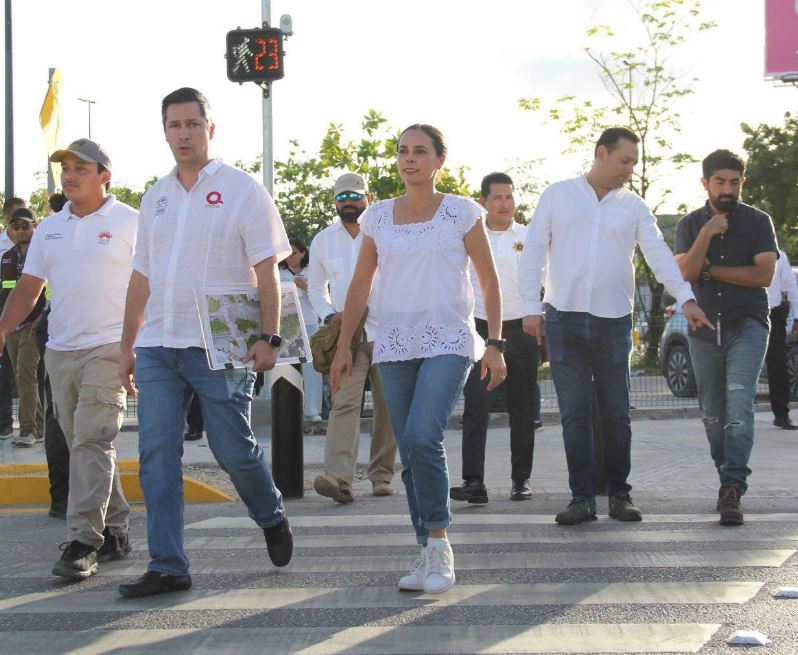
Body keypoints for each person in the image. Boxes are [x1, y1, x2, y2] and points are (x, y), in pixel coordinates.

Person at [118, 87, 293, 599]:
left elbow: (267, 268)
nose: (183, 133)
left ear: (210, 129)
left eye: (193, 124)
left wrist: (270, 335)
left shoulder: (242, 190)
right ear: (165, 132)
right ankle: (168, 564)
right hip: (157, 346)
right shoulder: (156, 197)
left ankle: (271, 514)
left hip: (217, 348)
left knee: (231, 449)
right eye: (174, 125)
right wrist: (127, 345)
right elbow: (139, 278)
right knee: (156, 455)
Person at [331, 124, 506, 595]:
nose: (410, 159)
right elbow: (360, 285)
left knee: (423, 436)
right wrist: (345, 346)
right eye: (403, 151)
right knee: (408, 451)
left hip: (448, 338)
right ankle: (424, 548)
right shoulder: (379, 218)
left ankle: (440, 542)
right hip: (393, 343)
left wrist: (495, 342)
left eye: (420, 151)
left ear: (439, 160)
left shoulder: (461, 213)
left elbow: (488, 282)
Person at [520, 127, 712, 526]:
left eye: (633, 163)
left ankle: (620, 494)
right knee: (574, 413)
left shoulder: (634, 207)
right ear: (602, 153)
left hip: (613, 321)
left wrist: (686, 299)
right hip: (563, 317)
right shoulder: (558, 195)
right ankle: (582, 498)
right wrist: (530, 307)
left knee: (616, 412)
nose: (629, 169)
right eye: (625, 161)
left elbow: (658, 256)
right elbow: (534, 250)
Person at [0, 138, 136, 578]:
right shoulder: (49, 230)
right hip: (59, 350)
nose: (71, 175)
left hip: (110, 347)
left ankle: (83, 540)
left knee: (92, 441)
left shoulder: (130, 222)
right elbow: (28, 287)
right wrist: (2, 328)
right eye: (66, 169)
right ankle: (116, 529)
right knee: (85, 443)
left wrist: (139, 347)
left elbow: (150, 285)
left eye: (82, 167)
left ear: (105, 175)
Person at [674, 149, 778, 525]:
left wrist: (712, 270)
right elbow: (686, 272)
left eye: (735, 182)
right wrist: (707, 232)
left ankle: (733, 486)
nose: (728, 189)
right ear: (705, 183)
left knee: (738, 407)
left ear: (742, 183)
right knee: (714, 416)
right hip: (704, 328)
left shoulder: (758, 222)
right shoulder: (689, 224)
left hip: (747, 323)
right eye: (720, 181)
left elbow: (763, 276)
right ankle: (726, 478)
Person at [308, 172, 396, 503]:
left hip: (386, 329)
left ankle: (382, 475)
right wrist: (331, 315)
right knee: (344, 402)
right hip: (347, 334)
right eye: (342, 198)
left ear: (368, 198)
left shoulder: (386, 233)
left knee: (388, 406)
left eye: (355, 197)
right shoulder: (322, 240)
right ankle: (339, 478)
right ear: (335, 202)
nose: (349, 203)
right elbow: (316, 288)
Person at [451, 172, 538, 504]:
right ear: (484, 201)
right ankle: (474, 481)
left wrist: (539, 316)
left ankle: (521, 480)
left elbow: (542, 279)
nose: (505, 203)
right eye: (498, 197)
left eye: (510, 196)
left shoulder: (529, 238)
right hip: (480, 330)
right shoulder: (471, 238)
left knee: (522, 407)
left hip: (522, 329)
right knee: (476, 403)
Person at [0, 208, 45, 447]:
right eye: (15, 227)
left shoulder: (44, 253)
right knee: (21, 377)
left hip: (32, 327)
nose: (20, 231)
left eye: (25, 226)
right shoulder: (7, 256)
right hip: (11, 328)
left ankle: (27, 429)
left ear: (35, 226)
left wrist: (40, 322)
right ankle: (37, 428)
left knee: (26, 375)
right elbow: (5, 292)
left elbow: (49, 293)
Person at [279, 237, 322, 422]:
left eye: (294, 253)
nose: (290, 257)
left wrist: (306, 287)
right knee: (286, 367)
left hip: (310, 323)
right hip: (287, 324)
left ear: (303, 253)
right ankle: (286, 410)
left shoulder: (313, 272)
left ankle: (313, 410)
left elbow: (321, 298)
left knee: (312, 368)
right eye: (287, 253)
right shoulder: (279, 272)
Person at [0, 197, 26, 439]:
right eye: (17, 221)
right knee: (4, 372)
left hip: (30, 321)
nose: (21, 227)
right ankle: (4, 422)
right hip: (3, 318)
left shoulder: (34, 246)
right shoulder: (2, 247)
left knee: (25, 374)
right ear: (8, 218)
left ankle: (30, 425)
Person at [765, 249, 798, 430]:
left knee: (778, 364)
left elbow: (791, 286)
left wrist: (797, 316)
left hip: (773, 315)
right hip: (743, 314)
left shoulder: (780, 255)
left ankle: (782, 415)